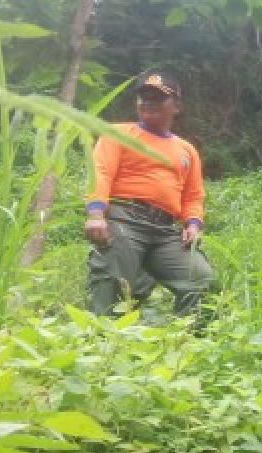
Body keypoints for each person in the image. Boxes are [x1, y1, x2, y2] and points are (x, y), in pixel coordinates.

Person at [85, 71, 214, 317]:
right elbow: (100, 173)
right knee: (114, 287)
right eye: (143, 96)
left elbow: (193, 195)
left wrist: (193, 224)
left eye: (157, 97)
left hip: (165, 230)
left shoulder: (187, 150)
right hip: (124, 217)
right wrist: (95, 213)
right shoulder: (118, 133)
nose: (148, 102)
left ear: (176, 105)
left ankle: (186, 345)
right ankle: (100, 345)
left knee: (202, 281)